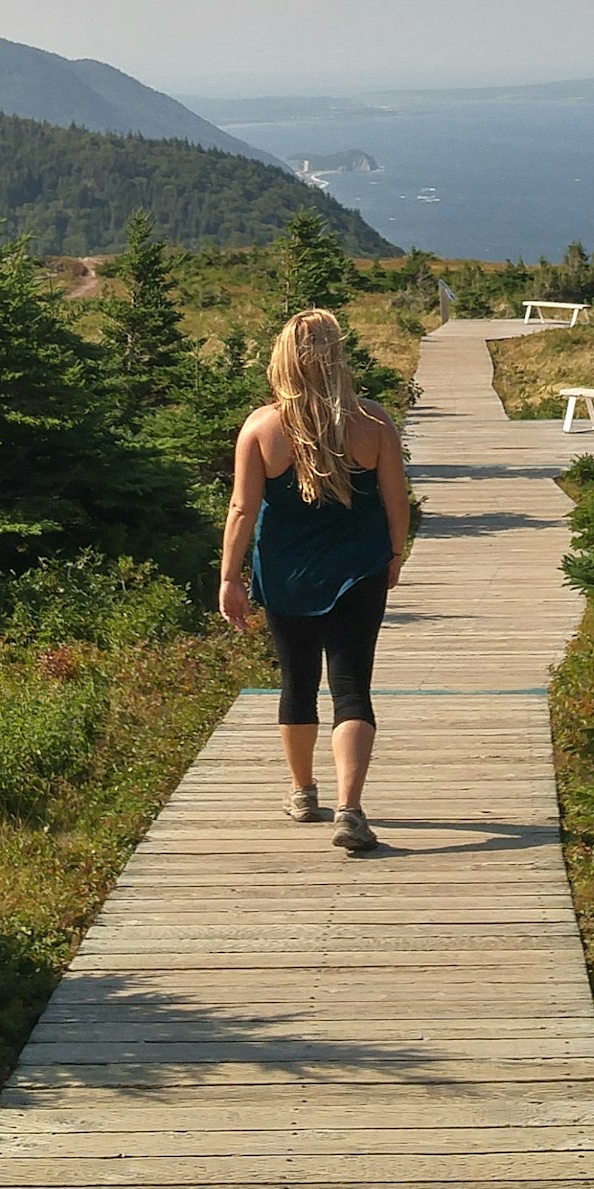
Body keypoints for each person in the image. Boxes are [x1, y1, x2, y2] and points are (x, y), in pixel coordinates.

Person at [217, 308, 413, 854]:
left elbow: (241, 510)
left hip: (285, 574)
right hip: (359, 571)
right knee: (351, 687)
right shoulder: (373, 423)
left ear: (282, 361)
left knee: (296, 682)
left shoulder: (261, 427)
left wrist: (230, 578)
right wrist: (395, 554)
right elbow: (397, 500)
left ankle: (304, 793)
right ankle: (350, 810)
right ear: (338, 358)